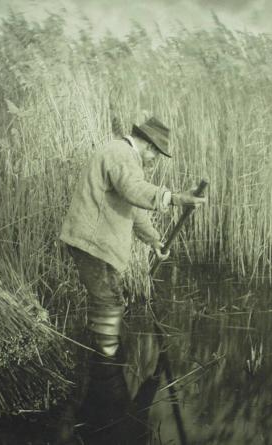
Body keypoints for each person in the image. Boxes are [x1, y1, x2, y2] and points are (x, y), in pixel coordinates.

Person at [60, 117, 206, 360]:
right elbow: (133, 190)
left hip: (96, 245)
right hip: (93, 244)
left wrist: (154, 240)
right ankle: (107, 366)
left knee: (109, 300)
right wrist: (175, 198)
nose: (154, 161)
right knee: (110, 302)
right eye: (156, 155)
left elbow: (134, 206)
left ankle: (101, 355)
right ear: (149, 146)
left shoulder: (124, 156)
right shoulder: (121, 153)